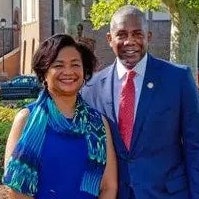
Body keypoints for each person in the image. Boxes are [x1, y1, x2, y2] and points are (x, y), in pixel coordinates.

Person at [81, 5, 199, 199]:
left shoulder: (178, 79)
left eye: (137, 34)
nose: (130, 41)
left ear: (148, 37)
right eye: (121, 34)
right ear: (109, 39)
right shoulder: (91, 88)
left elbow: (195, 147)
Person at [2, 34, 117, 199]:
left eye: (75, 64)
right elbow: (16, 189)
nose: (68, 72)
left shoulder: (98, 123)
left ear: (85, 72)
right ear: (44, 74)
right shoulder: (26, 119)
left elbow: (108, 186)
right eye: (58, 65)